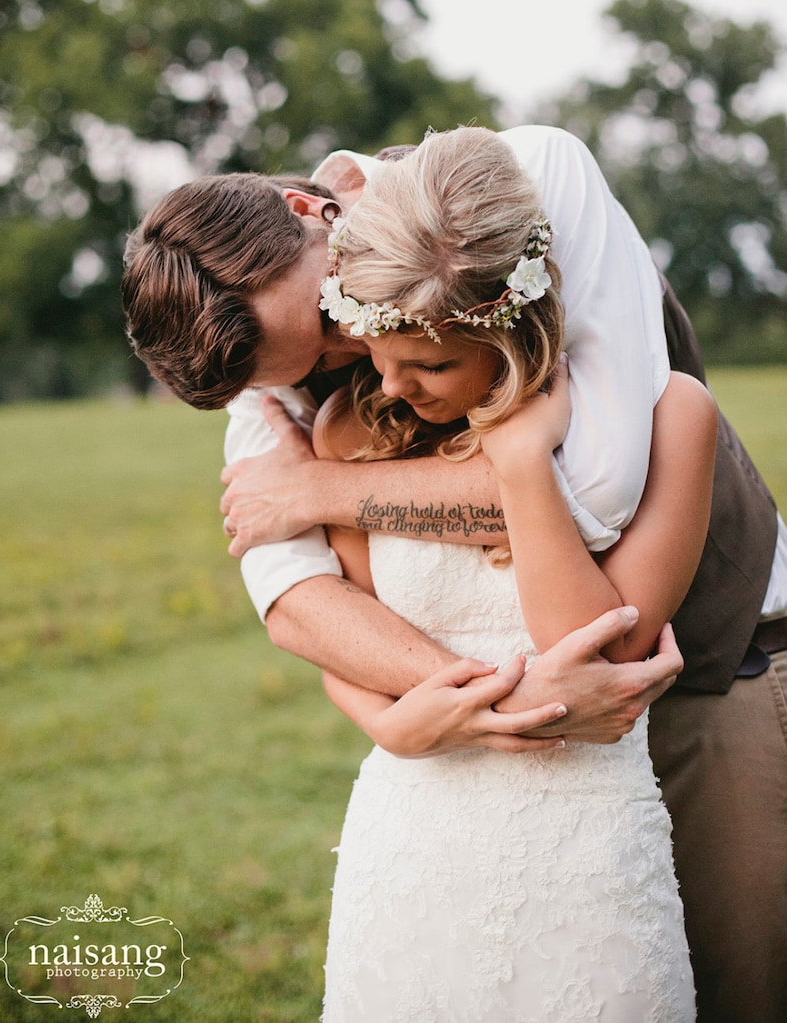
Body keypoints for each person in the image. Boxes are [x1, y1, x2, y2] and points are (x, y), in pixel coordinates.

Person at [122, 124, 787, 1023]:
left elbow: (589, 490)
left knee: (733, 987)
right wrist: (478, 710)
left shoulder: (523, 203)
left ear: (314, 212)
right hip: (466, 774)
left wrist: (325, 488)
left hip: (709, 671)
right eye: (311, 366)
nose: (356, 363)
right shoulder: (271, 362)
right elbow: (296, 599)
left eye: (325, 326)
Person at [312, 128, 718, 1019]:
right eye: (377, 352)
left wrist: (525, 461)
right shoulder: (352, 432)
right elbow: (346, 632)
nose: (394, 383)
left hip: (586, 838)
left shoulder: (675, 420)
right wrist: (393, 727)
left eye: (430, 364)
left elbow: (596, 647)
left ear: (517, 323)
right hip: (416, 823)